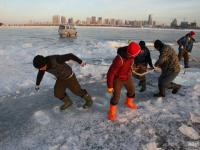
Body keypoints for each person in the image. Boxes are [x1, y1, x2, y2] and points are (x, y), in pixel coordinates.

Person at [107, 42, 141, 121]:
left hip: (127, 77)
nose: (137, 55)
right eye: (136, 54)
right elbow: (111, 73)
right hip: (118, 79)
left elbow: (130, 63)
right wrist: (110, 86)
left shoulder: (131, 56)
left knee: (132, 91)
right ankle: (111, 112)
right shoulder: (119, 60)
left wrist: (134, 67)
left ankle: (128, 102)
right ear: (131, 54)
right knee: (116, 97)